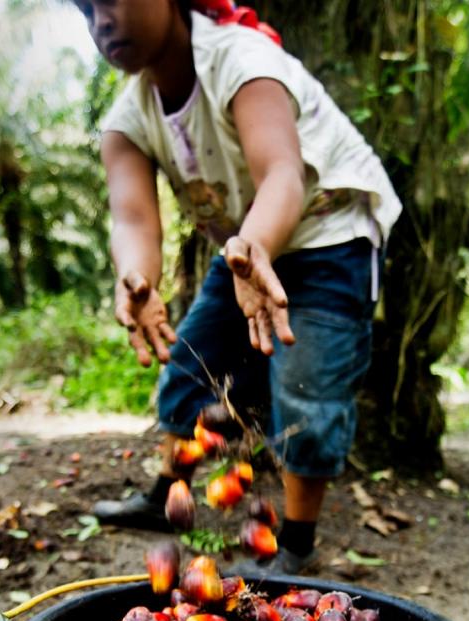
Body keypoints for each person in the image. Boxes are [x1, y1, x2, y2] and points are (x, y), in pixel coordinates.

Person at [78, 0, 402, 576]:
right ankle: (165, 496)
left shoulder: (242, 59)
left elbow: (282, 171)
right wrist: (137, 279)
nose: (101, 19)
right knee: (189, 360)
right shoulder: (126, 122)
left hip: (330, 235)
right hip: (243, 251)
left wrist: (252, 247)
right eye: (86, 8)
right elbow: (132, 220)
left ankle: (297, 543)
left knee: (308, 383)